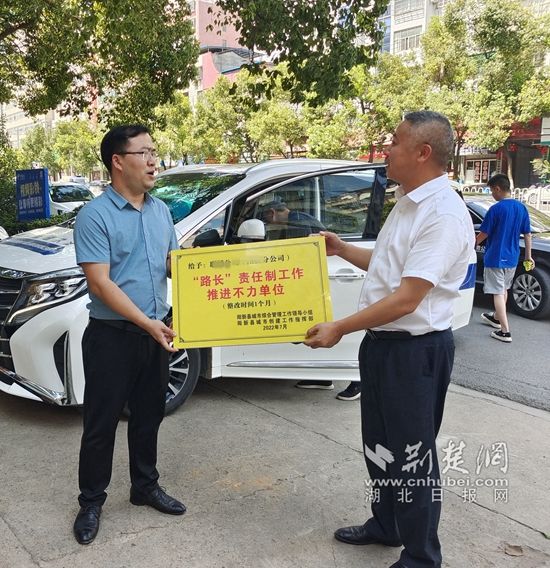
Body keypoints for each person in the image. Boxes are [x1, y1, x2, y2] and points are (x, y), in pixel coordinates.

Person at [304, 111, 474, 568]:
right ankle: (386, 525)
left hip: (415, 352)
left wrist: (339, 327)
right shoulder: (406, 202)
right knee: (379, 444)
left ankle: (421, 556)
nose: (386, 149)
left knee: (412, 456)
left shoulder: (442, 214)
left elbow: (407, 298)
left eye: (396, 141)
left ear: (423, 152)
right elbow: (387, 266)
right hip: (382, 346)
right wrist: (342, 249)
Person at [72, 125, 185, 546]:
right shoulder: (95, 216)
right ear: (118, 161)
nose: (154, 161)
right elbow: (100, 283)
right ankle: (91, 501)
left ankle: (144, 486)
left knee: (149, 416)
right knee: (100, 424)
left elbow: (171, 263)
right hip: (112, 337)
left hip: (156, 333)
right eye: (145, 153)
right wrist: (146, 322)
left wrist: (202, 268)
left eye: (155, 151)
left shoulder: (161, 211)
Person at [261, 199, 360, 399]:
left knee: (328, 331)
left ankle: (358, 381)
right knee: (314, 330)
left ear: (272, 212)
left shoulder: (297, 222)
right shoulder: (297, 219)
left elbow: (296, 257)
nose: (269, 224)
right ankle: (321, 376)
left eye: (267, 219)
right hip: (314, 283)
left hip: (319, 282)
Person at [475, 173, 533, 343]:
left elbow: (484, 233)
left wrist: (471, 243)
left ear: (498, 189)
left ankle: (505, 331)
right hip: (513, 257)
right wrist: (528, 257)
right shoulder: (521, 208)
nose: (492, 194)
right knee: (504, 290)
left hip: (495, 257)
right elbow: (527, 234)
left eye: (492, 191)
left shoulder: (496, 209)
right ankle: (496, 318)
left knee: (498, 292)